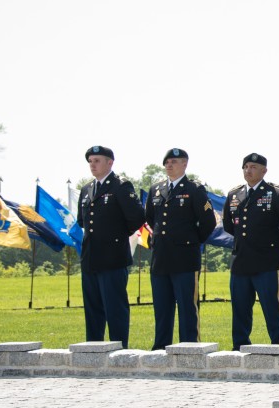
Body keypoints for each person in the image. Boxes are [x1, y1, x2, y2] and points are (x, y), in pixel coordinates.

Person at [224, 153, 279, 350]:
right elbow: (228, 225)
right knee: (240, 310)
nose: (248, 170)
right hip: (240, 262)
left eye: (253, 167)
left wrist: (274, 241)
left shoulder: (275, 193)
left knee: (273, 309)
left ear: (264, 171)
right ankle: (239, 349)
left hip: (267, 262)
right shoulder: (234, 195)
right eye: (246, 166)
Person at [144, 148, 217, 350]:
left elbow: (208, 221)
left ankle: (189, 347)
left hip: (185, 257)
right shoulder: (156, 189)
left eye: (174, 161)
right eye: (167, 162)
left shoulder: (194, 189)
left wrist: (192, 241)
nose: (169, 165)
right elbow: (150, 218)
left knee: (187, 307)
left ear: (185, 164)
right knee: (162, 307)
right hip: (161, 258)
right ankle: (160, 347)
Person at [77, 146, 145, 348]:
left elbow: (136, 217)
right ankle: (93, 349)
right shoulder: (87, 189)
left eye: (97, 160)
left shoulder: (120, 186)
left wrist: (116, 236)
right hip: (91, 257)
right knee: (93, 308)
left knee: (114, 308)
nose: (92, 165)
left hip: (113, 257)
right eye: (90, 161)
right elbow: (83, 221)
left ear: (110, 163)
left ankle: (119, 349)